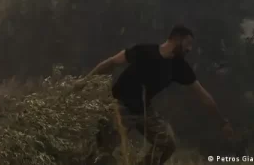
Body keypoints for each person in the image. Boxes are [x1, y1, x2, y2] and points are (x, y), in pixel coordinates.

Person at [74, 24, 233, 165]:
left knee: (167, 144)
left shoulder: (179, 67)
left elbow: (203, 96)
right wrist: (85, 81)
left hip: (144, 110)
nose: (189, 49)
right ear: (177, 39)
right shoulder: (143, 51)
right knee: (101, 152)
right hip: (118, 106)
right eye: (188, 43)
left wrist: (222, 122)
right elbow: (111, 63)